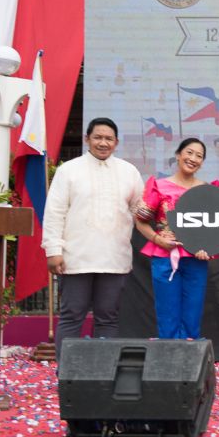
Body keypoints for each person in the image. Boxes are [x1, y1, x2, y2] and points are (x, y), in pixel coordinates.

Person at [42, 117, 143, 356]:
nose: (103, 143)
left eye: (109, 138)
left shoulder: (129, 172)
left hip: (114, 258)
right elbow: (55, 212)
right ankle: (66, 374)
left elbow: (139, 210)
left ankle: (103, 374)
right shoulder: (69, 170)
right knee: (71, 316)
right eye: (98, 137)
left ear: (116, 142)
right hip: (75, 258)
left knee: (108, 318)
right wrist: (53, 250)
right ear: (87, 139)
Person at [135, 138, 213, 339]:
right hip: (164, 256)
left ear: (202, 162)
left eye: (199, 156)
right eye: (189, 152)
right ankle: (169, 361)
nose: (193, 158)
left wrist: (208, 245)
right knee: (167, 311)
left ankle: (190, 363)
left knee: (193, 312)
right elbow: (140, 222)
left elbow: (214, 226)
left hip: (196, 257)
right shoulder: (159, 186)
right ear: (178, 155)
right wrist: (157, 239)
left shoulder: (207, 190)